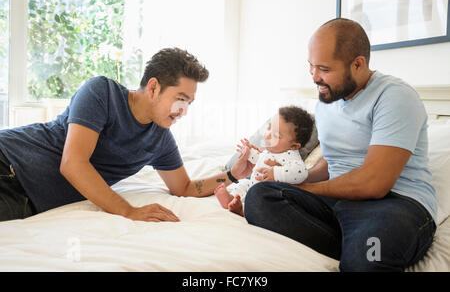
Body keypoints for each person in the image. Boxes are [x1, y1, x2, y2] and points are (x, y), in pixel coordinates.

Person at [243, 18, 437, 272]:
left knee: (368, 255)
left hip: (393, 205)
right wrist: (296, 180)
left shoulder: (394, 96)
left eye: (323, 68)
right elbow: (332, 160)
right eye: (310, 66)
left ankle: (361, 251)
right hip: (337, 201)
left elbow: (375, 184)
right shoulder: (327, 101)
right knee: (262, 196)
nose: (314, 77)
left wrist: (310, 190)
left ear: (358, 64)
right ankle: (353, 245)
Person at [0, 47, 252, 223]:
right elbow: (73, 164)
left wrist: (232, 174)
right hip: (9, 161)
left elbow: (184, 187)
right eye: (180, 99)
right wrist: (128, 211)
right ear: (153, 87)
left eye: (189, 103)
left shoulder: (160, 138)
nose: (183, 111)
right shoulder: (102, 93)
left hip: (27, 201)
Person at [214, 106, 313, 216]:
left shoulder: (291, 156)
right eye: (269, 128)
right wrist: (249, 152)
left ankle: (242, 210)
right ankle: (232, 199)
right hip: (253, 184)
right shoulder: (272, 151)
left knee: (262, 200)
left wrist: (276, 173)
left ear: (294, 146)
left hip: (267, 193)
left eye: (276, 135)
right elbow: (260, 160)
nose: (268, 135)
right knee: (243, 183)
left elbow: (301, 172)